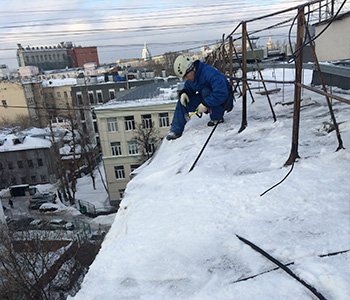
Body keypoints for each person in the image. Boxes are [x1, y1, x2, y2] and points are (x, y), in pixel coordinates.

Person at [166, 55, 234, 140]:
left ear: (191, 69)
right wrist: (184, 93)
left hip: (223, 101)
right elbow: (188, 88)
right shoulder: (193, 77)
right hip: (206, 99)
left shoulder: (209, 73)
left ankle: (217, 118)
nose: (186, 79)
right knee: (182, 102)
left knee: (206, 91)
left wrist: (205, 104)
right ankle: (175, 130)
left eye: (186, 76)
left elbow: (221, 93)